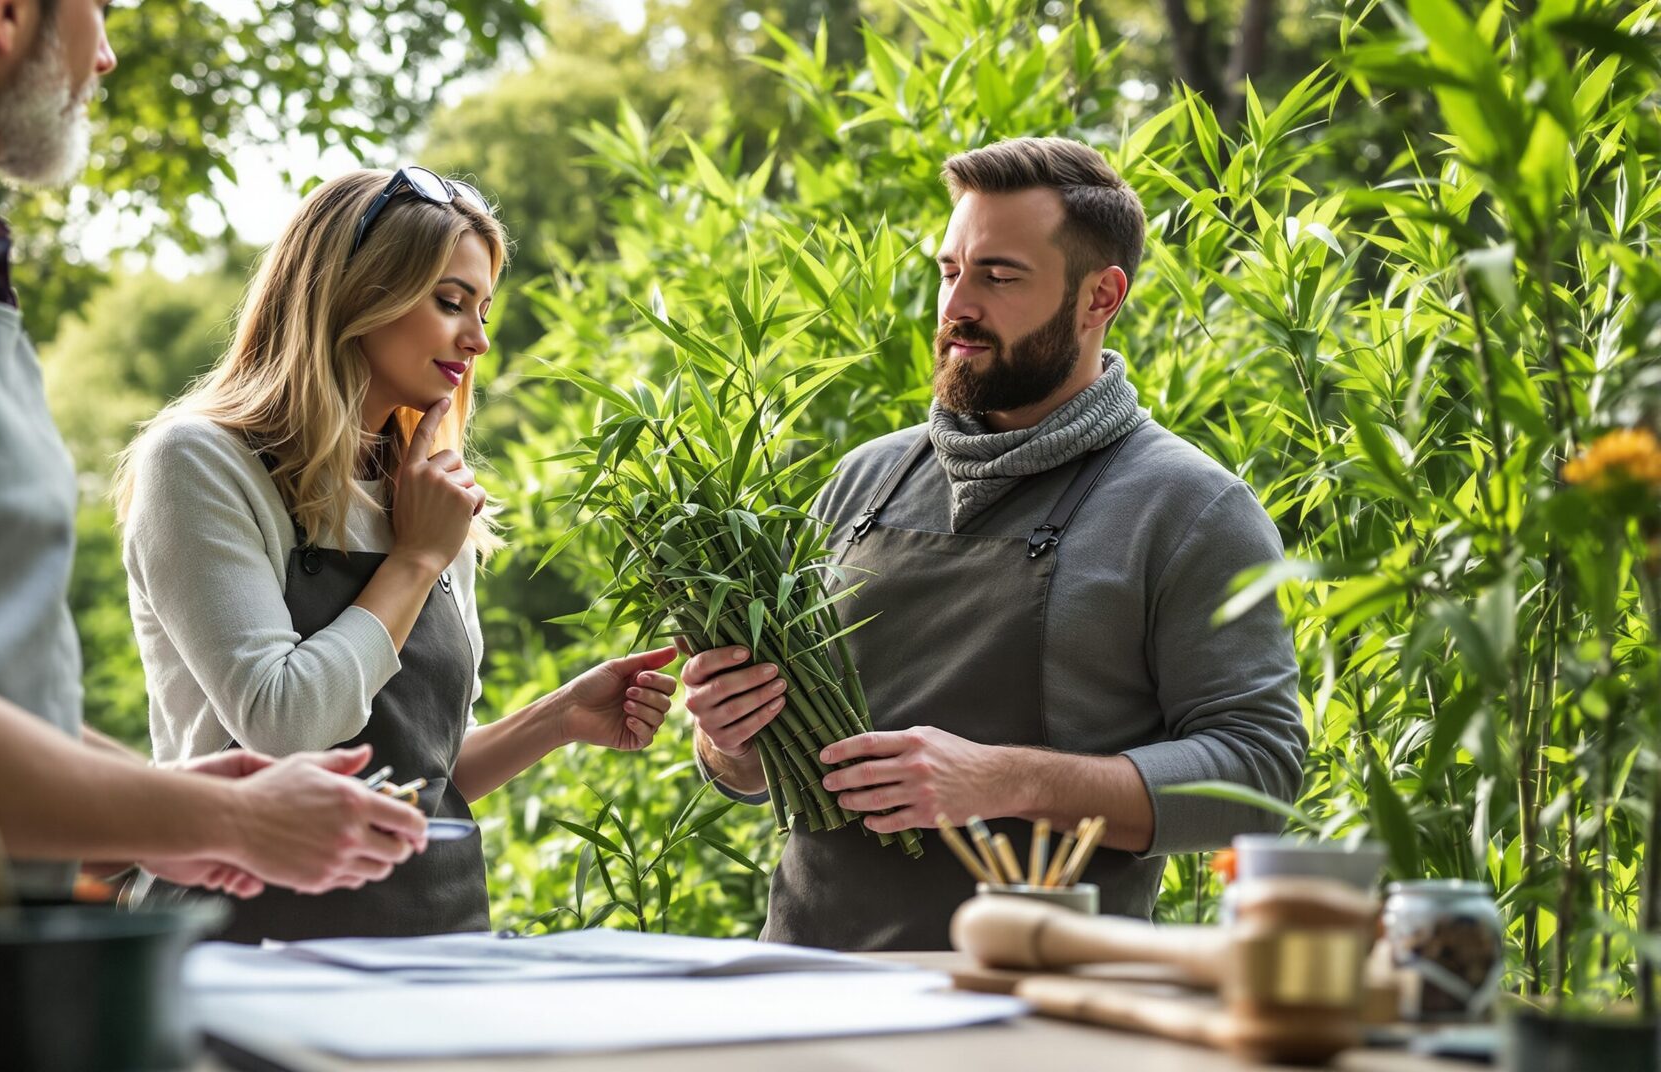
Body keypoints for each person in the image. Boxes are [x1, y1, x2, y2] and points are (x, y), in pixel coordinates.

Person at [0, 0, 428, 905]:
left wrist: (172, 801)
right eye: (97, 12)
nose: (102, 57)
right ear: (9, 13)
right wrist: (222, 821)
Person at [681, 137, 1308, 949]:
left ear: (1100, 297)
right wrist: (728, 739)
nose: (955, 308)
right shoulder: (865, 479)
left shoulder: (1188, 507)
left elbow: (1258, 773)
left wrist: (999, 780)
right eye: (950, 271)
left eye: (998, 276)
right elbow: (759, 769)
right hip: (806, 984)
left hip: (1040, 1002)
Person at [113, 166, 680, 941]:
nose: (478, 340)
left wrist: (558, 719)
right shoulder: (202, 464)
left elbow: (420, 777)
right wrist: (414, 561)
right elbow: (283, 722)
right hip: (246, 951)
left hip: (432, 948)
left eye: (483, 309)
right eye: (450, 302)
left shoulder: (429, 497)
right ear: (355, 290)